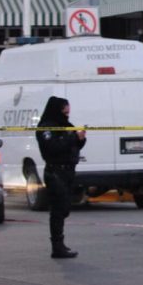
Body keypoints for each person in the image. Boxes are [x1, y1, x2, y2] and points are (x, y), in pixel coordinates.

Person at [35, 96, 86, 259]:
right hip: (55, 172)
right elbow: (52, 148)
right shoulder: (46, 128)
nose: (67, 113)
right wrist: (73, 138)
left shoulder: (65, 125)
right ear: (57, 109)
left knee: (64, 209)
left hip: (68, 171)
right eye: (64, 109)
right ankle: (57, 247)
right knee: (59, 209)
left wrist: (80, 139)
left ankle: (60, 245)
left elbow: (73, 144)